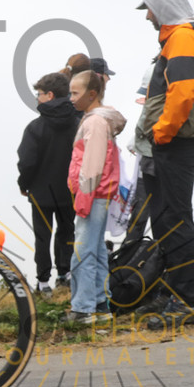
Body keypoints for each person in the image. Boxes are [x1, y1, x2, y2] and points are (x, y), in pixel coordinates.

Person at [133, 0, 194, 324]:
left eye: (149, 8)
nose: (147, 16)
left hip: (177, 140)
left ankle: (185, 301)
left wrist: (162, 133)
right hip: (174, 140)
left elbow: (182, 94)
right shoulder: (180, 37)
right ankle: (171, 292)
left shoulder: (183, 37)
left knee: (175, 219)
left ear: (163, 6)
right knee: (165, 219)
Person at [65, 70, 126, 324]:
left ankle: (82, 308)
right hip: (100, 194)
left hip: (92, 194)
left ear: (91, 94)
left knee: (83, 251)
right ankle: (101, 305)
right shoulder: (98, 120)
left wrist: (83, 196)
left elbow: (92, 163)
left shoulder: (95, 123)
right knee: (97, 250)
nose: (71, 98)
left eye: (75, 93)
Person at [17, 71, 80, 294]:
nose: (37, 98)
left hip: (41, 191)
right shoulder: (78, 123)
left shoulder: (35, 127)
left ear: (50, 95)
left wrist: (23, 183)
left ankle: (43, 282)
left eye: (40, 94)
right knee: (67, 231)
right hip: (69, 190)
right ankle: (65, 274)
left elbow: (27, 161)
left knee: (42, 236)